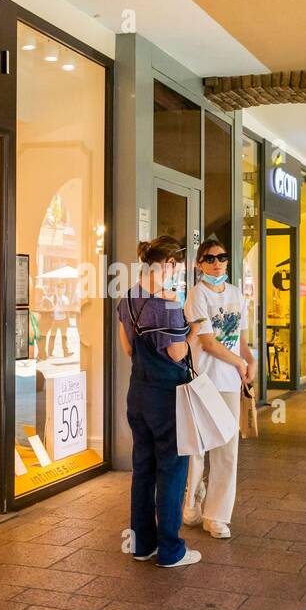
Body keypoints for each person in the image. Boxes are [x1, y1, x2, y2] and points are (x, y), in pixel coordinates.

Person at [116, 236, 204, 568]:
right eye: (176, 267)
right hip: (167, 397)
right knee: (172, 469)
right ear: (166, 265)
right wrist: (192, 330)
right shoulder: (167, 303)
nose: (176, 274)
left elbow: (127, 349)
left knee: (144, 469)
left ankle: (142, 544)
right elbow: (177, 352)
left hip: (137, 394)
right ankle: (171, 550)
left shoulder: (127, 297)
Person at [182, 238, 257, 539]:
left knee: (228, 451)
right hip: (202, 380)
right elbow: (207, 342)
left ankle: (217, 516)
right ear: (199, 264)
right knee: (198, 448)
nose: (217, 263)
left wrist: (249, 360)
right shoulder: (196, 296)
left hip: (228, 384)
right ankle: (191, 501)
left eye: (222, 257)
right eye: (210, 258)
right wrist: (239, 362)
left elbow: (239, 337)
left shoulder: (237, 295)